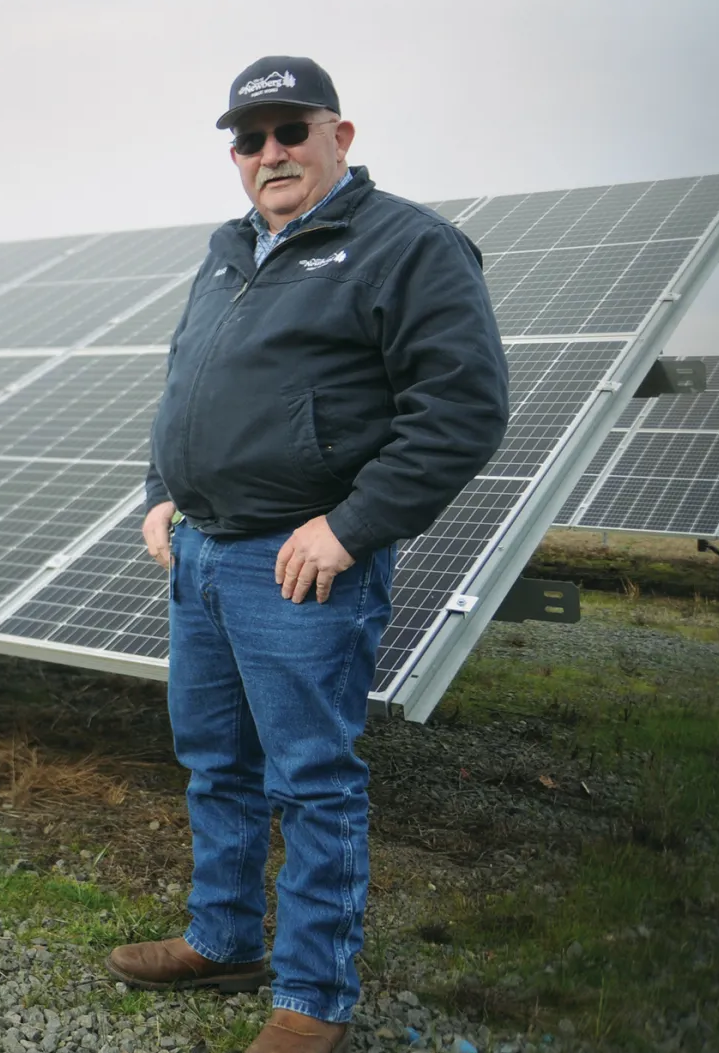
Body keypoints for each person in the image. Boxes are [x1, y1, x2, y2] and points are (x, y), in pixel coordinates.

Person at [108, 55, 509, 1053]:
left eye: (292, 130)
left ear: (342, 136)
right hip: (200, 557)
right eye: (250, 139)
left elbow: (462, 410)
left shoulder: (407, 245)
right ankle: (224, 940)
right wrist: (162, 493)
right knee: (216, 763)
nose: (270, 153)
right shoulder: (226, 249)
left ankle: (312, 1000)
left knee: (312, 782)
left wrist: (349, 525)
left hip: (299, 564)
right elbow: (183, 383)